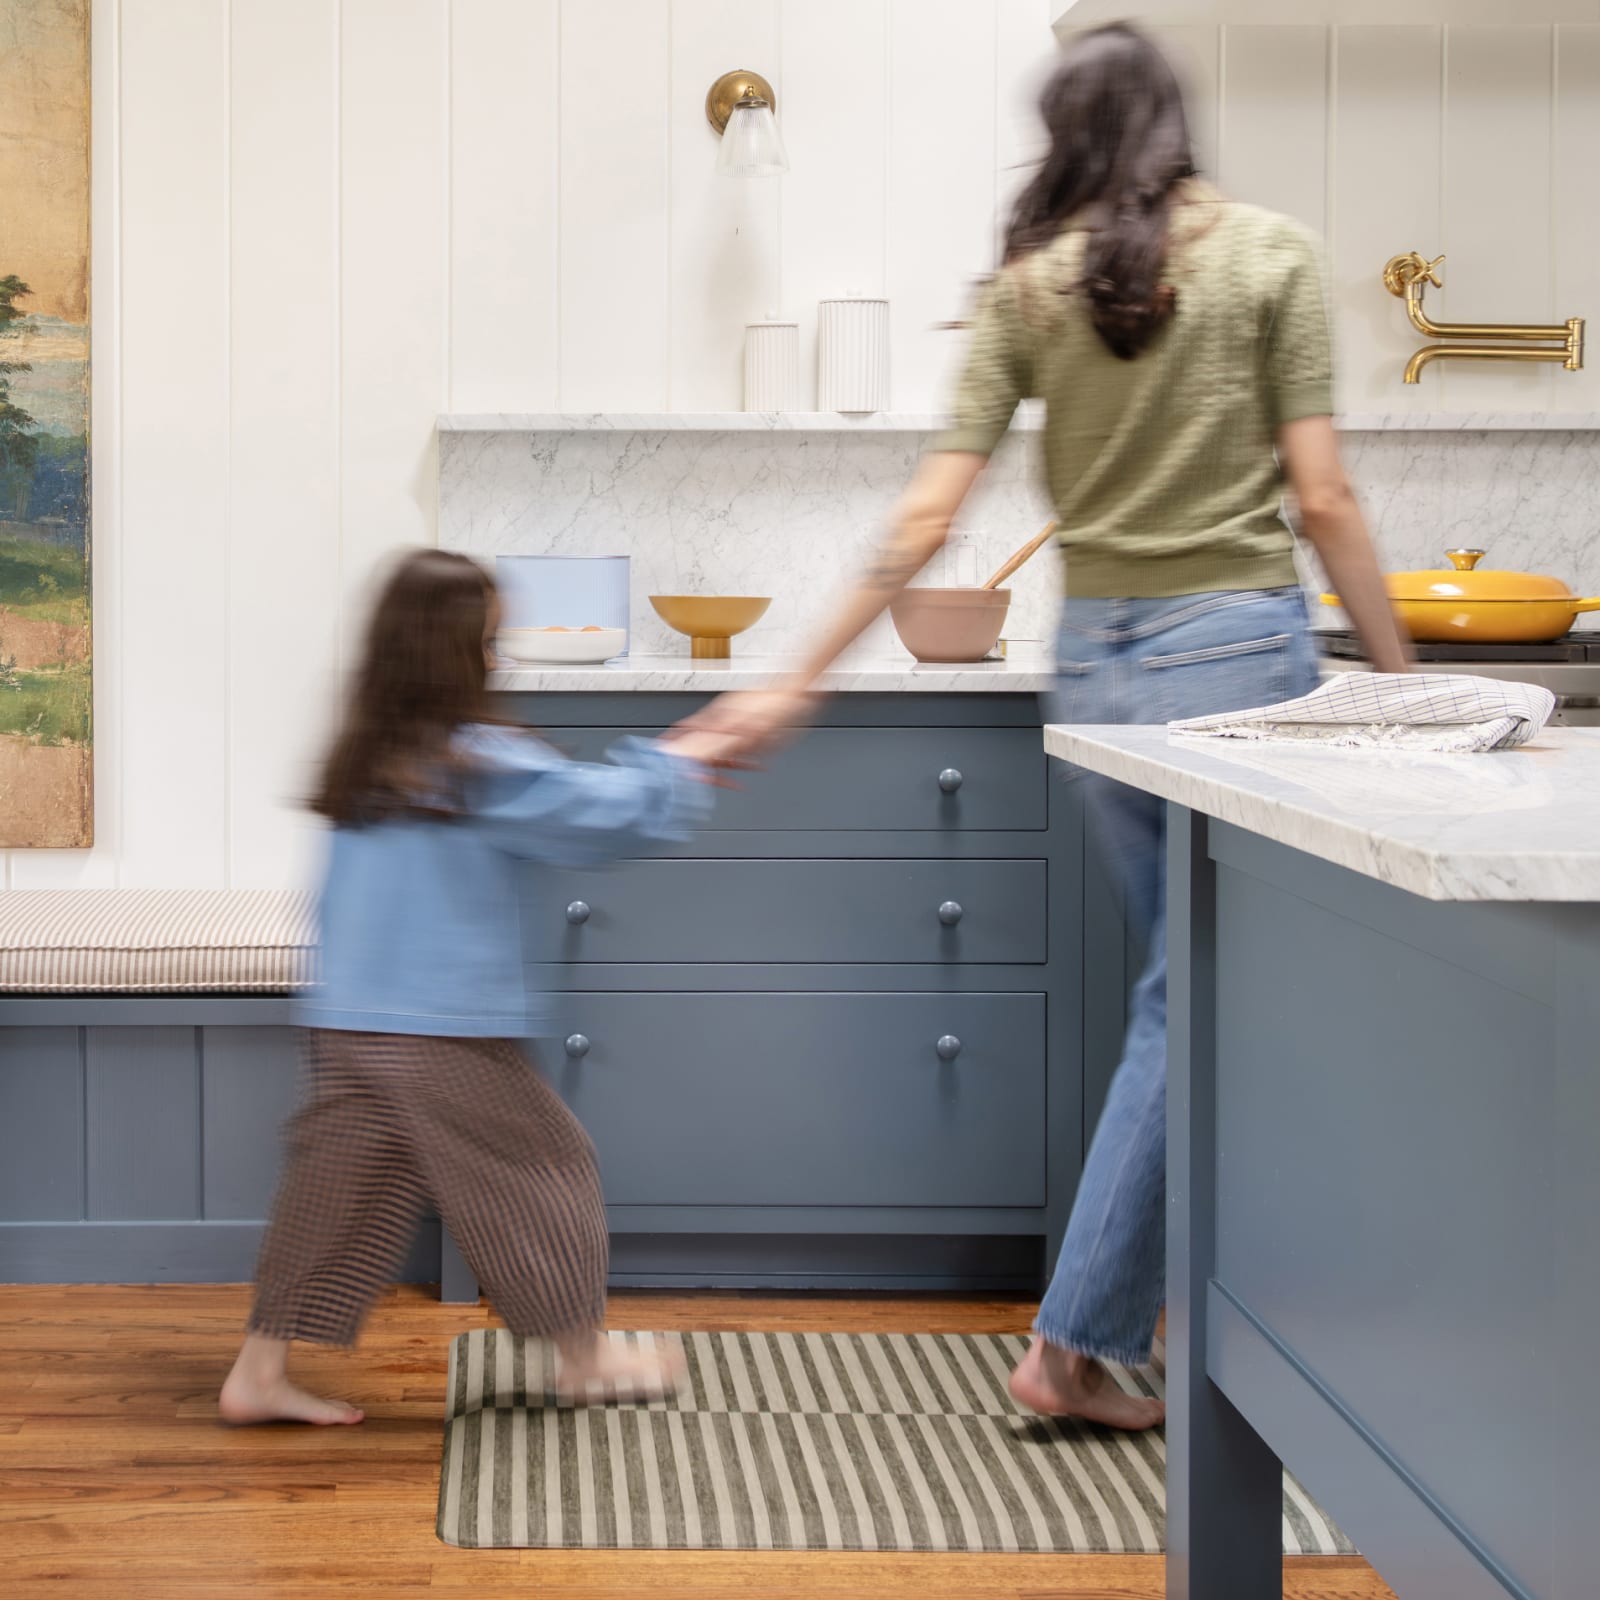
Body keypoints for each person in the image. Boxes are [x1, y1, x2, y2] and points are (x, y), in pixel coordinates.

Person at [678, 24, 1409, 1430]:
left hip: (1099, 668)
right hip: (1236, 657)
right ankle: (1084, 1340)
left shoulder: (1026, 292)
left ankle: (1194, 1314)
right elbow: (1325, 502)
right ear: (1175, 124)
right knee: (1204, 998)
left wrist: (791, 676)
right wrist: (1394, 675)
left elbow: (924, 515)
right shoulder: (1269, 256)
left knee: (1193, 994)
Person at [221, 549, 728, 1425]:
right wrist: (680, 764)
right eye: (492, 640)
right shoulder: (474, 764)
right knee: (545, 1168)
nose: (499, 656)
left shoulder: (364, 762)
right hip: (439, 1029)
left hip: (347, 1016)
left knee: (336, 1192)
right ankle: (583, 1356)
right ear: (462, 654)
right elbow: (596, 815)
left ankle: (258, 1371)